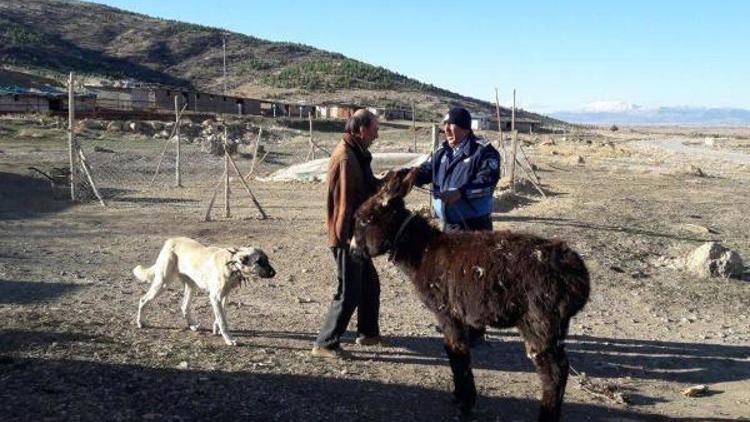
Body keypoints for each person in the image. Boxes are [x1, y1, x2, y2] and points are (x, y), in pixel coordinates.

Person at [407, 107, 501, 346]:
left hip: (474, 226)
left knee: (474, 277)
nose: (447, 130)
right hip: (447, 226)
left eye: (453, 126)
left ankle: (476, 330)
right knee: (450, 277)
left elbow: (488, 181)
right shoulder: (442, 152)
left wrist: (460, 193)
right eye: (445, 127)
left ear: (466, 128)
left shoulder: (484, 152)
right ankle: (456, 323)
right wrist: (407, 176)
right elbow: (427, 171)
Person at [312, 109, 384, 359]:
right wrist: (348, 240)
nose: (377, 134)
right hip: (347, 236)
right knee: (349, 290)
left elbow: (366, 186)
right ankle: (325, 343)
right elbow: (345, 204)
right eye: (374, 129)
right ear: (361, 129)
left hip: (355, 234)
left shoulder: (357, 153)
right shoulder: (346, 159)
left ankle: (368, 333)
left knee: (370, 285)